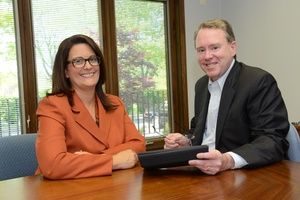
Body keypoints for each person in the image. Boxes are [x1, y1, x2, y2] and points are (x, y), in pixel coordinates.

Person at [164, 19, 289, 175]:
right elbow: (200, 129)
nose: (207, 56)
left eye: (214, 48)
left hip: (243, 175)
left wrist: (227, 161)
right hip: (201, 171)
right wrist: (187, 141)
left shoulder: (258, 81)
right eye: (201, 50)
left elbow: (273, 140)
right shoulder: (201, 85)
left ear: (233, 47)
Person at [35, 34, 146, 179]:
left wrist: (95, 158)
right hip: (65, 191)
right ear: (65, 71)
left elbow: (139, 145)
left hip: (111, 186)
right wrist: (114, 161)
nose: (88, 66)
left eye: (92, 59)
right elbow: (53, 165)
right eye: (78, 61)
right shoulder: (52, 105)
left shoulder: (115, 103)